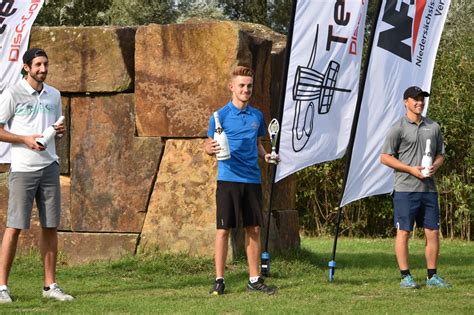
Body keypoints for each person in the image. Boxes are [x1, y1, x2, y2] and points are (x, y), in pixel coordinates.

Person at [0, 48, 74, 303]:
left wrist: (59, 131)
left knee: (50, 226)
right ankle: (1, 288)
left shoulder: (54, 94)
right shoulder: (13, 93)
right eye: (38, 65)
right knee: (14, 227)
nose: (43, 69)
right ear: (26, 67)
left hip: (49, 167)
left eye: (45, 64)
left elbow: (55, 131)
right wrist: (23, 139)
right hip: (22, 169)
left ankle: (50, 286)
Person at [205, 66, 278, 295]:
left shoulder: (257, 116)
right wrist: (208, 148)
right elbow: (208, 145)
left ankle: (254, 279)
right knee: (223, 229)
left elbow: (257, 145)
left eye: (249, 86)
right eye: (242, 86)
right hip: (228, 179)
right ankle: (219, 280)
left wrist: (265, 155)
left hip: (252, 180)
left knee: (254, 228)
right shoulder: (219, 116)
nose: (246, 90)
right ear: (232, 87)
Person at [380, 86, 450, 289]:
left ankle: (432, 277)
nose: (419, 102)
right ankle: (405, 277)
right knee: (404, 233)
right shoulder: (398, 127)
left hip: (429, 189)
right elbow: (385, 157)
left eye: (422, 99)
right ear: (406, 102)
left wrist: (435, 166)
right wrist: (410, 169)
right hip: (405, 189)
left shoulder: (433, 126)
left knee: (433, 232)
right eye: (415, 99)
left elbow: (440, 154)